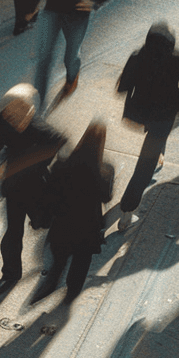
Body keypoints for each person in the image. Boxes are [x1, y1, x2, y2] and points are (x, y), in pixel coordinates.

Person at [0, 83, 66, 295]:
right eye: (9, 110)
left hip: (37, 186)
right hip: (14, 188)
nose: (12, 115)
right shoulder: (2, 124)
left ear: (29, 110)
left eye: (19, 110)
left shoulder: (38, 127)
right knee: (13, 232)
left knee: (44, 221)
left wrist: (29, 163)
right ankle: (10, 274)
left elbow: (59, 140)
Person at [114, 22, 179, 228]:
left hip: (141, 112)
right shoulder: (178, 59)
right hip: (164, 114)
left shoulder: (138, 57)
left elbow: (122, 88)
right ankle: (127, 210)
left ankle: (160, 154)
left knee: (154, 139)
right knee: (145, 165)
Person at [30, 121, 114, 303]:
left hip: (63, 223)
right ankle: (72, 292)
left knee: (59, 260)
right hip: (87, 227)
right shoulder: (105, 171)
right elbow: (106, 197)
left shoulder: (62, 165)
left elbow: (49, 193)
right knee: (81, 262)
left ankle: (52, 282)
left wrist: (43, 216)